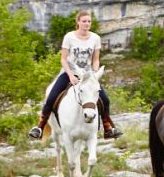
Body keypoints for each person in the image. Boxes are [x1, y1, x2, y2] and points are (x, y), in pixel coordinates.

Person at [28, 10, 122, 140]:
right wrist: (71, 75)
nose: (87, 23)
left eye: (89, 21)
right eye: (84, 21)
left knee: (105, 100)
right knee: (51, 97)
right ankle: (39, 128)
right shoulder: (69, 37)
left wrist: (94, 74)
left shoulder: (95, 38)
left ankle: (107, 129)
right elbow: (63, 59)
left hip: (87, 75)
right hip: (69, 72)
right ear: (78, 22)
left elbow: (95, 59)